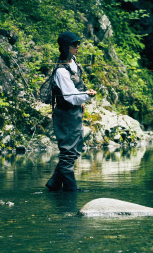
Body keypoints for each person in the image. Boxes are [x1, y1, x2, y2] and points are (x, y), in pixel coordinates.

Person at [45, 31, 96, 191]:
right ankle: (71, 189)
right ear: (66, 47)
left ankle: (54, 183)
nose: (78, 46)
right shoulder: (61, 71)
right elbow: (71, 96)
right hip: (65, 115)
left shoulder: (73, 62)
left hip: (74, 113)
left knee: (76, 146)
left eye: (78, 43)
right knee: (68, 152)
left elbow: (76, 90)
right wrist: (87, 96)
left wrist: (84, 97)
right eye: (74, 44)